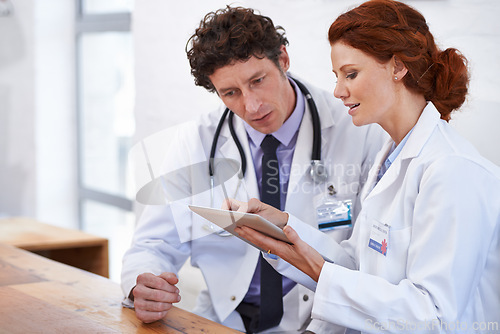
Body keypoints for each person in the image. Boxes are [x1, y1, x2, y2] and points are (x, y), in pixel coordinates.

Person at [227, 0, 500, 333]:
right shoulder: (389, 159)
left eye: (351, 74)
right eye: (337, 77)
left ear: (398, 67)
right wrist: (283, 230)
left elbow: (435, 317)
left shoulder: (453, 170)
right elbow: (359, 266)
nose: (339, 91)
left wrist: (321, 273)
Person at [121, 5, 386, 334]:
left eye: (258, 81)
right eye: (230, 93)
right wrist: (142, 284)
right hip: (223, 318)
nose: (251, 105)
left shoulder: (358, 131)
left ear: (283, 60)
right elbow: (154, 242)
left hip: (322, 319)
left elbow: (371, 259)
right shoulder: (198, 141)